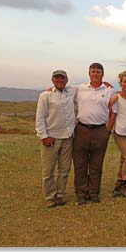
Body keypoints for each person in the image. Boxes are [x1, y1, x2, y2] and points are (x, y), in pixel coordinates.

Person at [73, 62, 116, 205]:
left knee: (96, 164)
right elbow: (64, 93)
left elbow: (113, 111)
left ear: (102, 74)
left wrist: (107, 131)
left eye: (98, 71)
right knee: (80, 164)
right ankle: (81, 193)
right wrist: (51, 89)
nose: (95, 74)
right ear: (89, 73)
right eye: (93, 71)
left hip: (100, 131)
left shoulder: (109, 90)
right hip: (82, 130)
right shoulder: (80, 89)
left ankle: (93, 193)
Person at [35, 70, 76, 208]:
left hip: (68, 137)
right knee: (48, 170)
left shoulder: (70, 92)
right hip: (51, 138)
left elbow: (87, 87)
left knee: (64, 169)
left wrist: (106, 84)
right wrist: (44, 136)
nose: (60, 80)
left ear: (66, 79)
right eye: (57, 78)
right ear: (52, 80)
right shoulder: (45, 95)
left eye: (62, 78)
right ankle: (49, 196)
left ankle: (61, 194)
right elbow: (40, 117)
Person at [108, 71, 126, 200]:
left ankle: (118, 184)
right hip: (120, 133)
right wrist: (108, 130)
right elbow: (110, 112)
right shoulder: (116, 98)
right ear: (120, 83)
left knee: (123, 159)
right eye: (124, 82)